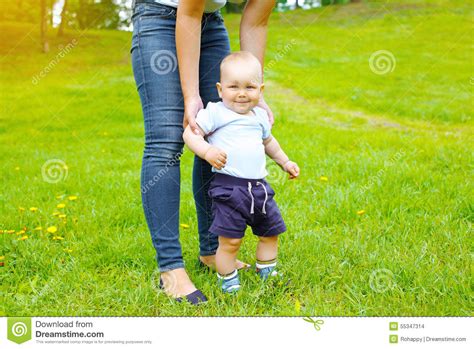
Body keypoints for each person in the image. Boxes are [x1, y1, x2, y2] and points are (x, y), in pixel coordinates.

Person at [131, 0, 277, 304]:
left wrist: (255, 91)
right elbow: (188, 11)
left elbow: (255, 21)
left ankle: (212, 250)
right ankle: (170, 268)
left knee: (216, 135)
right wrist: (191, 96)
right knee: (168, 139)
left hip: (211, 22)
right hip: (160, 17)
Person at [183, 51, 300, 293]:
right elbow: (189, 134)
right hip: (229, 188)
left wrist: (285, 162)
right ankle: (228, 281)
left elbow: (269, 143)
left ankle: (267, 271)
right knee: (230, 240)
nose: (242, 93)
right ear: (219, 89)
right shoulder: (215, 112)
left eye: (250, 87)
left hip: (260, 188)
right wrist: (207, 152)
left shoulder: (259, 116)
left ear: (261, 90)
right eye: (233, 86)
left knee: (270, 233)